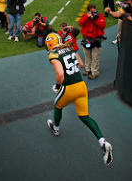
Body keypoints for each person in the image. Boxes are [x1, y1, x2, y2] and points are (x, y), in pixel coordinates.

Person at [44, 33, 113, 166]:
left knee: (57, 106)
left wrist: (58, 85)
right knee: (84, 116)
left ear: (50, 44)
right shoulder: (69, 48)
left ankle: (56, 128)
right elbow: (80, 64)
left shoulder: (53, 54)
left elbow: (60, 73)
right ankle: (103, 142)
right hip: (82, 86)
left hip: (69, 88)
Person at [78, 4, 106, 80]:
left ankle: (94, 72)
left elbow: (102, 25)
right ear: (88, 12)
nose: (93, 13)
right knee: (87, 55)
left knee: (95, 57)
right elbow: (80, 23)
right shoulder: (85, 16)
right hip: (87, 39)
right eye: (91, 12)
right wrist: (87, 17)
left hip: (96, 39)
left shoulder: (99, 16)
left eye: (94, 11)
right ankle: (88, 69)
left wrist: (95, 19)